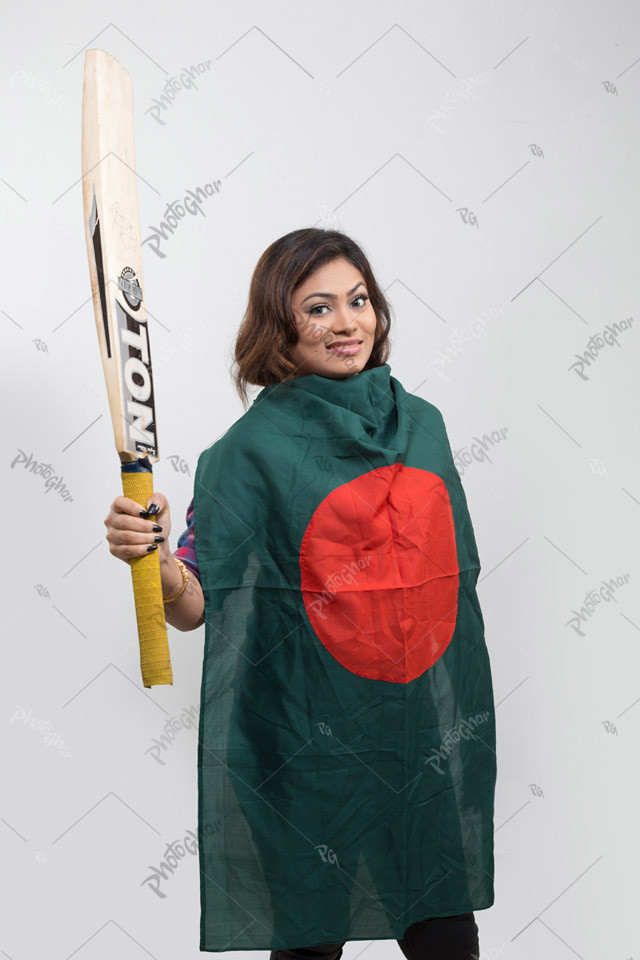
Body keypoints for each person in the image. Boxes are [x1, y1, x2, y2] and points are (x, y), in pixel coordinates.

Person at [104, 228, 495, 959]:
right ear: (279, 326)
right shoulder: (248, 453)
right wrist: (154, 561)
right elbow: (196, 605)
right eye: (319, 308)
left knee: (446, 934)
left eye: (359, 300)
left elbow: (444, 580)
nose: (347, 323)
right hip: (303, 745)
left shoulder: (425, 428)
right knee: (309, 943)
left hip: (414, 743)